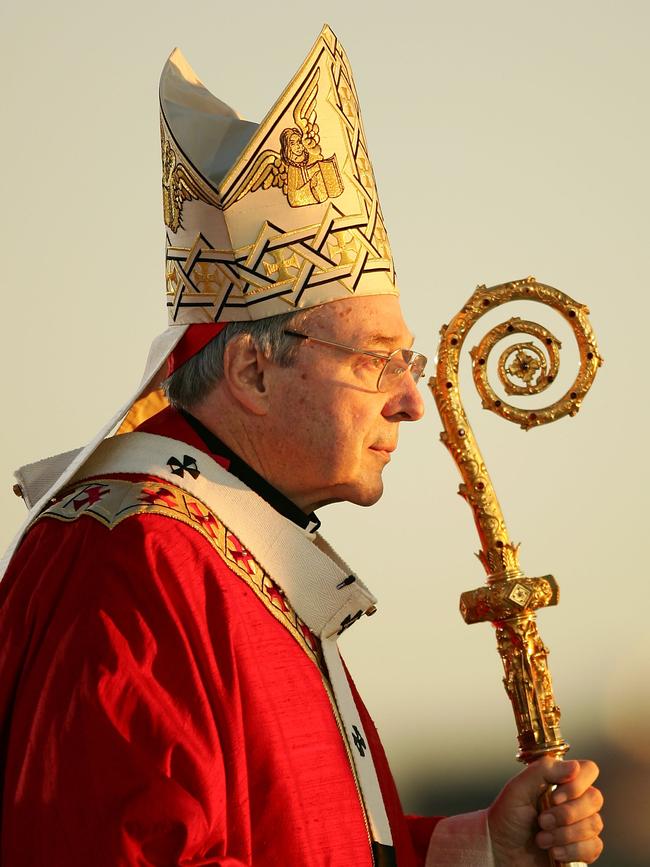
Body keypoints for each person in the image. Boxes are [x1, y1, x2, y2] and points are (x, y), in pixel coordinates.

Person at [0, 25, 603, 866]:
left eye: (411, 362)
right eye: (375, 361)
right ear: (252, 369)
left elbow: (306, 835)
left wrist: (476, 847)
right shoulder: (134, 560)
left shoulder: (247, 554)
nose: (412, 401)